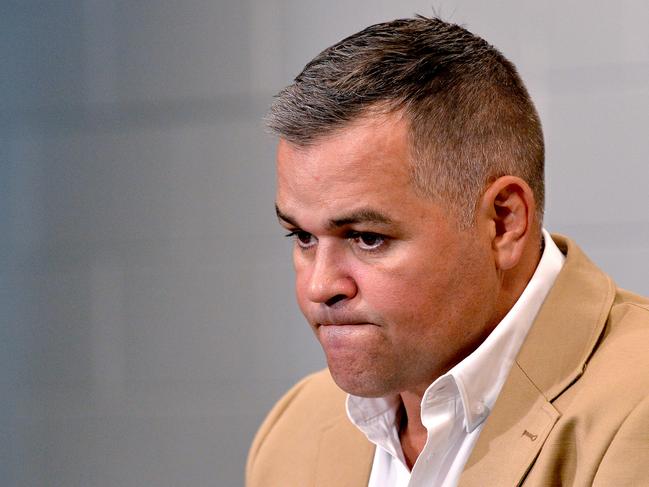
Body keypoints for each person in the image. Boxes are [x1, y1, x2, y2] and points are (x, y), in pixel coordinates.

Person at [246, 16, 649, 487]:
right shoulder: (291, 433)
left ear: (503, 222)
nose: (319, 287)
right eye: (303, 238)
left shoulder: (637, 410)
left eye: (366, 238)